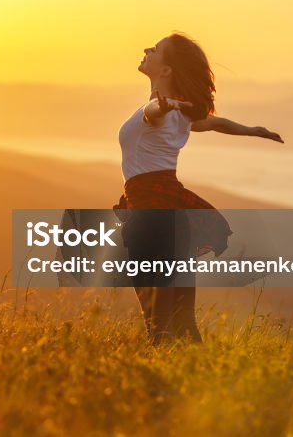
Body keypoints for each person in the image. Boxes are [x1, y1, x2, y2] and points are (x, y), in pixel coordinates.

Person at [115, 32, 283, 344]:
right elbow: (216, 123)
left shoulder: (160, 110)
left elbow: (154, 114)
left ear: (165, 70)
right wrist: (252, 131)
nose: (146, 49)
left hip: (153, 216)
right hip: (168, 212)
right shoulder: (179, 113)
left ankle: (169, 385)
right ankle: (200, 376)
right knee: (181, 320)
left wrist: (161, 106)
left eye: (156, 48)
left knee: (158, 323)